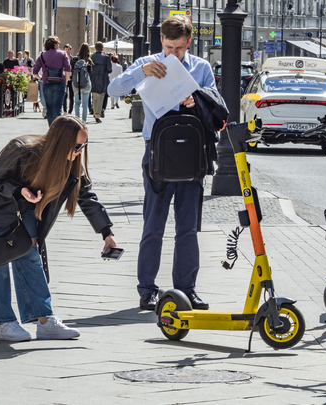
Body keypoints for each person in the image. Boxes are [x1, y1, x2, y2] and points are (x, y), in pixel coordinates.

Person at [0, 115, 118, 341]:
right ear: (62, 142)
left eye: (84, 145)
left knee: (30, 256)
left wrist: (107, 233)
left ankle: (45, 320)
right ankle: (4, 322)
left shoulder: (71, 164)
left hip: (26, 207)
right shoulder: (22, 149)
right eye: (77, 146)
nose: (80, 151)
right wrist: (18, 190)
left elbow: (87, 196)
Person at [107, 15, 216, 311]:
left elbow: (216, 103)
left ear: (189, 43)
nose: (174, 54)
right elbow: (112, 89)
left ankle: (186, 290)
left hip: (192, 153)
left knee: (188, 227)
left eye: (179, 48)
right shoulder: (149, 61)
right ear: (161, 42)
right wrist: (141, 72)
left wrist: (198, 99)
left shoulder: (202, 68)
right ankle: (147, 290)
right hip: (157, 153)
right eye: (169, 47)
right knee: (153, 225)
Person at [33, 36, 71, 126]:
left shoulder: (42, 55)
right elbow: (68, 70)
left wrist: (41, 78)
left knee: (49, 109)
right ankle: (56, 132)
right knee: (57, 109)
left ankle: (51, 130)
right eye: (57, 43)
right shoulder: (63, 54)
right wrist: (65, 82)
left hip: (47, 83)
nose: (58, 45)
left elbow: (34, 72)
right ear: (54, 44)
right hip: (60, 82)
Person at [90, 42, 111, 123]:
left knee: (94, 97)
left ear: (95, 48)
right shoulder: (105, 57)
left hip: (93, 79)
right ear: (102, 48)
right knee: (101, 97)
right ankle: (97, 115)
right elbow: (109, 69)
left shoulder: (92, 57)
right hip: (103, 78)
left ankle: (95, 113)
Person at [72, 43, 93, 123]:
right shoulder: (88, 60)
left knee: (76, 103)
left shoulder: (74, 59)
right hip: (86, 84)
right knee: (85, 104)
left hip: (76, 83)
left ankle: (77, 120)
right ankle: (83, 121)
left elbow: (71, 70)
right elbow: (91, 73)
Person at [63, 44, 74, 115]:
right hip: (64, 78)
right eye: (66, 49)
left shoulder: (73, 59)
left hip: (72, 79)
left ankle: (70, 110)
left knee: (71, 95)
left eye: (68, 49)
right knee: (64, 94)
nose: (67, 51)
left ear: (71, 50)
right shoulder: (62, 58)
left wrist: (72, 72)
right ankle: (64, 110)